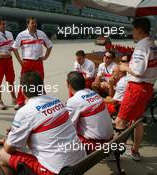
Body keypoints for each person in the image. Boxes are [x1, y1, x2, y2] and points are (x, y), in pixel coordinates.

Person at [0, 71, 86, 175]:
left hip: (57, 171)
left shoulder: (24, 112)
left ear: (23, 91)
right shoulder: (57, 100)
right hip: (81, 160)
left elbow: (9, 148)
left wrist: (10, 138)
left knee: (2, 154)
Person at [115, 18, 157, 161]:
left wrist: (123, 67)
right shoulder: (152, 44)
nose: (132, 33)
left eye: (133, 30)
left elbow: (138, 70)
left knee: (119, 121)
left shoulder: (142, 45)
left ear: (139, 30)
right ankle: (135, 151)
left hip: (137, 88)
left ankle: (116, 154)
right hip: (147, 88)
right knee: (137, 120)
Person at [66, 71, 113, 154]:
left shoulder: (73, 101)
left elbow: (69, 127)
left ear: (69, 85)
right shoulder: (93, 93)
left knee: (64, 134)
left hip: (95, 144)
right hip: (110, 139)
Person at [12, 17, 53, 110]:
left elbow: (49, 45)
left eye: (35, 23)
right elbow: (14, 48)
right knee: (24, 82)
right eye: (32, 23)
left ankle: (41, 100)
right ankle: (20, 102)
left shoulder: (41, 34)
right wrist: (20, 61)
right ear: (28, 24)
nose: (35, 24)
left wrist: (46, 57)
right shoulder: (21, 35)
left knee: (40, 81)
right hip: (26, 62)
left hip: (38, 62)